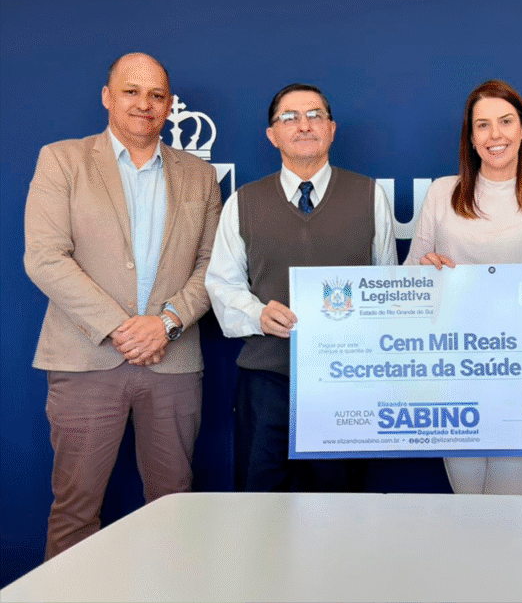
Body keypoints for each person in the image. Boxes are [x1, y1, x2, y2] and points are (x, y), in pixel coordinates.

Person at [24, 52, 222, 559]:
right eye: (131, 91)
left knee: (175, 506)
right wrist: (121, 327)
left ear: (169, 106)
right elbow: (45, 257)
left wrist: (168, 323)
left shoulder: (199, 175)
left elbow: (213, 266)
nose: (144, 103)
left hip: (172, 362)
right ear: (107, 97)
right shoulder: (62, 160)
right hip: (85, 359)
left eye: (156, 95)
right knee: (75, 510)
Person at [205, 83, 397, 492]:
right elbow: (222, 283)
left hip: (345, 380)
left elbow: (386, 283)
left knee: (338, 504)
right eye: (290, 118)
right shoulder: (243, 202)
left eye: (315, 115)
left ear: (332, 129)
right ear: (272, 134)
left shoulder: (369, 196)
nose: (304, 125)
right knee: (259, 503)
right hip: (267, 378)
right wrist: (257, 314)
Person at [404, 79, 522, 495]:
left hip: (520, 385)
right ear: (471, 137)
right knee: (469, 514)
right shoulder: (442, 193)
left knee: (514, 517)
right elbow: (409, 281)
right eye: (483, 125)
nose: (495, 135)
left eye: (506, 122)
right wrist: (425, 271)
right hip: (453, 380)